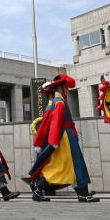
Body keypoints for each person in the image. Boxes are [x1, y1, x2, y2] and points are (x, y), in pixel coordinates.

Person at [27, 74, 99, 203]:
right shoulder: (59, 102)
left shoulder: (58, 101)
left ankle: (82, 193)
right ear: (60, 87)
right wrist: (54, 141)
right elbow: (55, 123)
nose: (67, 89)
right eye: (65, 87)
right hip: (65, 138)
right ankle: (38, 187)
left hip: (66, 136)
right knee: (64, 167)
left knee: (72, 166)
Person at [29, 84, 55, 202]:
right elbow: (45, 128)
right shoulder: (51, 108)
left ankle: (80, 189)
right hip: (50, 141)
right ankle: (37, 187)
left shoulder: (52, 107)